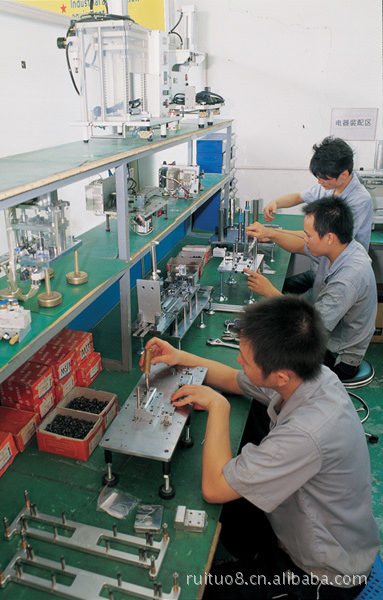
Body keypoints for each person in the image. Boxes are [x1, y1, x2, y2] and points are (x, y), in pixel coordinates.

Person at [141, 295, 379, 599]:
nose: (239, 360)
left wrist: (218, 406)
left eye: (245, 358)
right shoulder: (312, 376)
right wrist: (179, 356)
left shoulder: (306, 433)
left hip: (320, 575)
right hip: (303, 523)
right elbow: (233, 379)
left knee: (196, 588)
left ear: (280, 375)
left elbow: (214, 488)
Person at [245, 196, 377, 381]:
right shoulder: (343, 247)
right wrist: (270, 233)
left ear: (329, 237)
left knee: (268, 362)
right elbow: (299, 246)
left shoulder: (347, 280)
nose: (304, 239)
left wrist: (270, 292)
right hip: (327, 333)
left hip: (337, 357)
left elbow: (310, 328)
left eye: (308, 235)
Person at [263, 137, 373, 294]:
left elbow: (323, 239)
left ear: (344, 174)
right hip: (318, 270)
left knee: (288, 303)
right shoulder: (328, 185)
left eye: (325, 178)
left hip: (336, 274)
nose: (320, 182)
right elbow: (299, 197)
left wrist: (272, 233)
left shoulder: (359, 200)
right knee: (281, 289)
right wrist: (275, 203)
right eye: (318, 177)